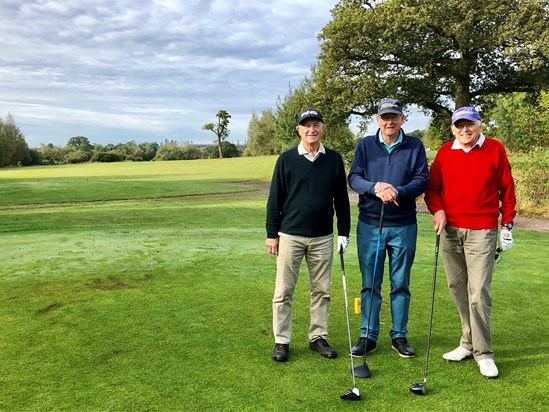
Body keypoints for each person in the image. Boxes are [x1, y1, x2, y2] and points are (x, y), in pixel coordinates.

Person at [424, 106, 516, 378]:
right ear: (453, 128)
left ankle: (484, 354)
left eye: (470, 124)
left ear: (480, 124)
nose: (465, 129)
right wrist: (438, 210)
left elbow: (507, 189)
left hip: (482, 230)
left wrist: (507, 224)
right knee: (458, 288)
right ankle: (467, 342)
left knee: (478, 293)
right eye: (460, 125)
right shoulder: (444, 152)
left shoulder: (494, 149)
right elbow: (432, 190)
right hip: (450, 230)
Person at [266, 108, 351, 362]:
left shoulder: (334, 159)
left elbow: (342, 201)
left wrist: (343, 233)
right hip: (290, 234)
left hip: (323, 236)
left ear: (323, 128)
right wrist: (272, 234)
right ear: (299, 130)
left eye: (316, 125)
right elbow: (275, 199)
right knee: (283, 291)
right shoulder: (286, 159)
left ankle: (318, 337)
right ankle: (282, 341)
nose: (311, 129)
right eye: (306, 125)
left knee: (322, 290)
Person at [348, 98, 429, 358]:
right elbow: (355, 178)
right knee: (370, 282)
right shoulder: (365, 145)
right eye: (385, 117)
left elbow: (422, 179)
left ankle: (399, 335)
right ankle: (368, 335)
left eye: (394, 116)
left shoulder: (415, 145)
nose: (390, 121)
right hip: (371, 224)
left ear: (403, 119)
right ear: (377, 120)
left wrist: (398, 190)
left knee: (400, 283)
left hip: (403, 224)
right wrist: (375, 188)